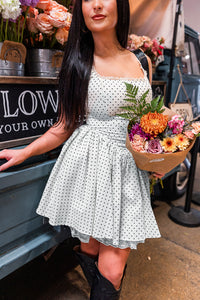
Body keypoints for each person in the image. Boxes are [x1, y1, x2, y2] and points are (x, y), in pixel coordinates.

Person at [0, 0, 165, 299]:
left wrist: (157, 153)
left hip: (127, 170)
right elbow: (64, 125)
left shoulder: (142, 61)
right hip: (88, 168)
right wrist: (24, 151)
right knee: (90, 247)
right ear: (81, 11)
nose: (97, 5)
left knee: (112, 269)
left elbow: (146, 121)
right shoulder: (77, 62)